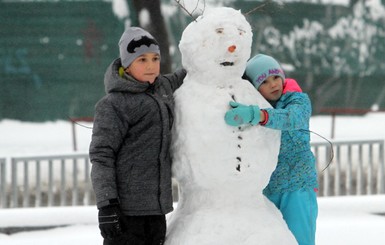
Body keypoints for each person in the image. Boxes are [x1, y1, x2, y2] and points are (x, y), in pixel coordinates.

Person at [89, 27, 186, 245]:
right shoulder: (114, 105)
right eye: (142, 59)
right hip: (126, 213)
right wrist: (107, 205)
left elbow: (185, 74)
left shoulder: (162, 87)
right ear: (127, 64)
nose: (151, 65)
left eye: (155, 58)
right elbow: (102, 156)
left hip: (157, 210)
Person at [224, 54, 318, 245]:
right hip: (268, 189)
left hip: (297, 186)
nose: (273, 84)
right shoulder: (257, 106)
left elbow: (292, 118)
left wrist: (257, 115)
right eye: (264, 82)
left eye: (276, 77)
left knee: (300, 240)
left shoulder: (297, 101)